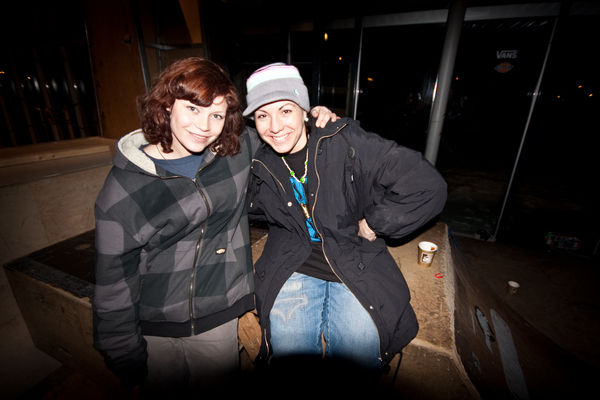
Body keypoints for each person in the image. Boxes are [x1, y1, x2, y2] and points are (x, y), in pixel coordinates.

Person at [92, 57, 336, 397]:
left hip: (217, 314)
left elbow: (281, 130)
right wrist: (122, 350)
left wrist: (318, 118)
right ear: (167, 106)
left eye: (217, 115)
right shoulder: (125, 187)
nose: (204, 126)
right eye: (193, 109)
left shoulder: (235, 151)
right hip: (153, 324)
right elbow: (113, 278)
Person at [245, 63, 447, 376]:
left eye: (286, 110)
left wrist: (375, 222)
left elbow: (427, 185)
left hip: (353, 259)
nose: (274, 126)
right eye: (262, 115)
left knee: (356, 358)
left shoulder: (345, 141)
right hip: (292, 262)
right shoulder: (256, 158)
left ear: (304, 110)